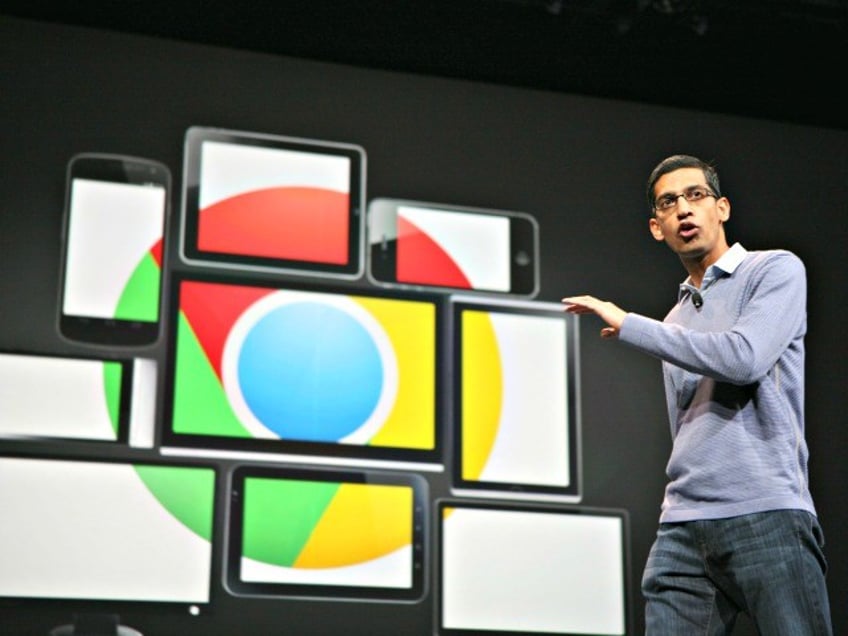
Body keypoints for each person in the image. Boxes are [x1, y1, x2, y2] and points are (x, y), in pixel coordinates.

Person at [562, 154, 832, 634]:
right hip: (683, 526)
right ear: (656, 227)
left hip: (767, 512)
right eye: (669, 203)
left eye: (695, 196)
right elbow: (687, 425)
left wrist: (628, 324)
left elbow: (743, 359)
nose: (684, 210)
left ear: (722, 208)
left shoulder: (774, 271)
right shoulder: (673, 322)